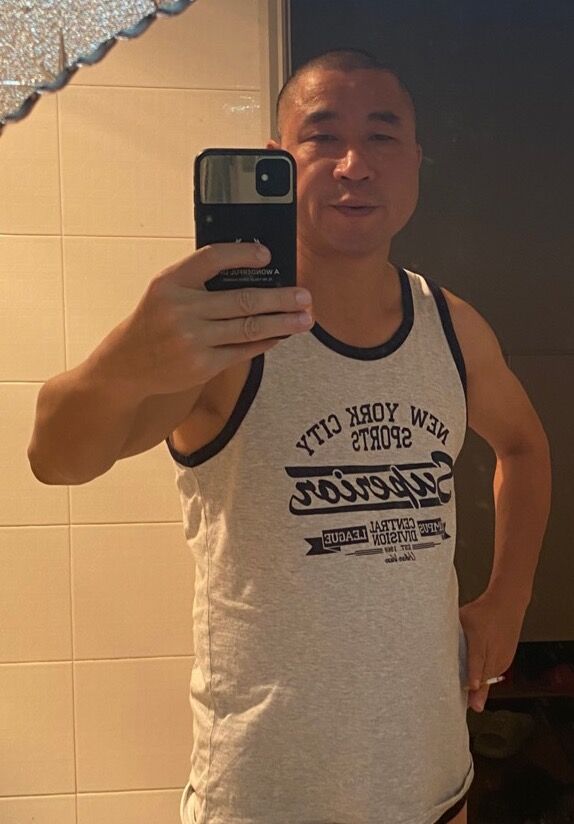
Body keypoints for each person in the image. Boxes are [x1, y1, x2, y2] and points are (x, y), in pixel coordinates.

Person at [28, 48, 551, 824]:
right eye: (322, 136)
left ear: (414, 162)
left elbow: (526, 449)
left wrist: (509, 596)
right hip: (266, 795)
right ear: (279, 160)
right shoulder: (224, 334)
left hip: (433, 782)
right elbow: (57, 459)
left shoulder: (452, 328)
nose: (354, 164)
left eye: (381, 136)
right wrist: (124, 359)